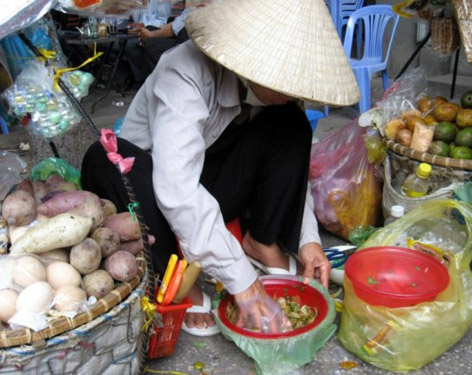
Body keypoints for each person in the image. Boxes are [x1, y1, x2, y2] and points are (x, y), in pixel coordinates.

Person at [81, 0, 359, 336]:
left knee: (292, 123)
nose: (292, 90)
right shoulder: (183, 71)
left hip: (211, 181)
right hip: (153, 191)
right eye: (284, 81)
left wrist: (307, 241)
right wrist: (241, 281)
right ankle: (179, 272)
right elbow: (176, 188)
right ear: (253, 63)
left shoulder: (277, 96)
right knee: (103, 156)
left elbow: (291, 171)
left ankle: (262, 242)